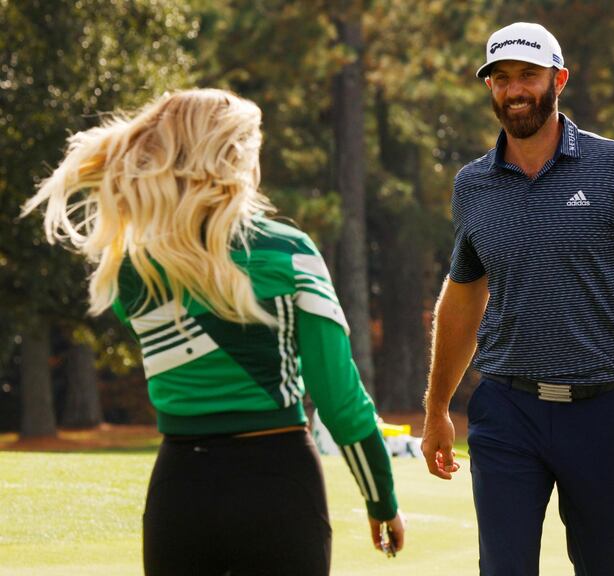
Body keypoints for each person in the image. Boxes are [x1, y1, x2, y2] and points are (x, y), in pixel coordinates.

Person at [22, 88, 404, 576]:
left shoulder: (134, 268)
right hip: (280, 484)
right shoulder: (290, 251)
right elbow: (340, 399)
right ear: (236, 158)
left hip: (181, 492)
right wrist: (381, 499)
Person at [421, 22, 614, 576]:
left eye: (528, 75)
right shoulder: (473, 184)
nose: (515, 89)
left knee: (607, 568)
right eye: (501, 78)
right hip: (506, 407)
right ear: (490, 89)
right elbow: (463, 296)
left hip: (599, 409)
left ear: (559, 79)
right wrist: (435, 409)